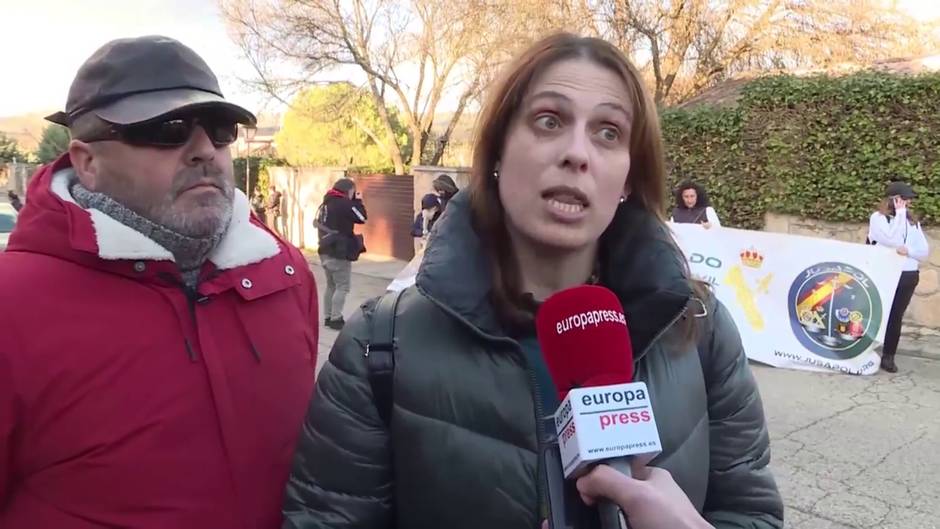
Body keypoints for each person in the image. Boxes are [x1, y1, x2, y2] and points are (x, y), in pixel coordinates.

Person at [283, 33, 782, 529]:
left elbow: (751, 513)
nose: (576, 153)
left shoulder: (699, 329)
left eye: (609, 132)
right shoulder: (379, 346)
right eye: (549, 121)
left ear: (628, 178)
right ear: (497, 152)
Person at [0, 36, 318, 529]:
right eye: (168, 130)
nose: (204, 150)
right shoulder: (12, 304)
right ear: (87, 161)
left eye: (219, 128)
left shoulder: (286, 273)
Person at [867, 181, 930, 373]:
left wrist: (908, 250)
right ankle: (864, 350)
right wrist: (900, 215)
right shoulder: (878, 219)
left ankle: (889, 356)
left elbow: (923, 251)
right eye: (903, 199)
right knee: (876, 313)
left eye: (908, 200)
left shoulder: (913, 223)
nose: (907, 203)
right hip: (885, 273)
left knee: (895, 316)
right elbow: (892, 240)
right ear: (893, 200)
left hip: (907, 275)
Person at [315, 177, 367, 330]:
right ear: (348, 190)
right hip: (338, 251)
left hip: (324, 249)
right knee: (342, 286)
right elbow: (362, 217)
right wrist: (358, 202)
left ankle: (328, 316)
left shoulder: (326, 203)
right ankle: (336, 318)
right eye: (352, 191)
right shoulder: (344, 203)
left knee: (331, 285)